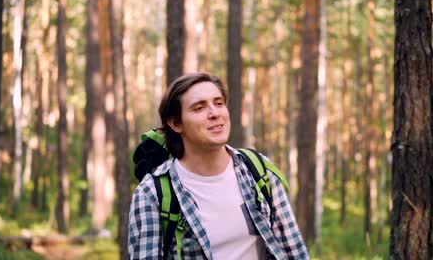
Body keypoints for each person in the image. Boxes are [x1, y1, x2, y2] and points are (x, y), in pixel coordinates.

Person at [128, 73, 309, 259]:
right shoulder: (151, 193)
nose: (215, 113)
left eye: (219, 103)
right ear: (175, 123)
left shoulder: (259, 170)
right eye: (199, 108)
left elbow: (294, 250)